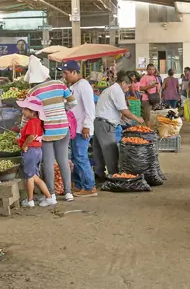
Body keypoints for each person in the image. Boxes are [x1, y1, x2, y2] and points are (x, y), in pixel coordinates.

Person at [28, 70, 77, 203]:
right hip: (62, 127)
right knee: (63, 160)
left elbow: (30, 114)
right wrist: (63, 109)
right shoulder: (60, 84)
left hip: (47, 130)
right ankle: (68, 193)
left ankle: (51, 194)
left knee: (48, 162)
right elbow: (73, 102)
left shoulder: (33, 91)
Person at [94, 70, 145, 178]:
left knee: (98, 151)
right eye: (127, 87)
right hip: (106, 125)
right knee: (110, 151)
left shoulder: (109, 89)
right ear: (123, 83)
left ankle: (99, 173)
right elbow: (124, 111)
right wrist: (138, 119)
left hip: (98, 123)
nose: (127, 90)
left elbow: (113, 108)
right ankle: (114, 176)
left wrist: (124, 119)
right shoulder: (117, 91)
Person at [62, 61, 97, 197]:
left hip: (82, 128)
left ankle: (89, 186)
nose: (64, 76)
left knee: (81, 157)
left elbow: (90, 108)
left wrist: (87, 126)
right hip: (75, 128)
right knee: (77, 157)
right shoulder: (74, 86)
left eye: (66, 73)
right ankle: (79, 184)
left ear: (74, 72)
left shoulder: (84, 86)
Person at [15, 97, 54, 208]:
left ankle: (30, 200)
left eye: (25, 109)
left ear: (32, 111)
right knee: (35, 176)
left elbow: (31, 136)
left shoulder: (32, 122)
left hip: (31, 151)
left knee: (30, 177)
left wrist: (25, 145)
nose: (23, 111)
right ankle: (48, 197)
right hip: (37, 151)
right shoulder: (38, 122)